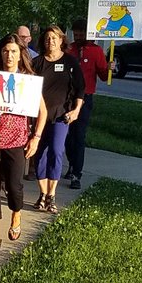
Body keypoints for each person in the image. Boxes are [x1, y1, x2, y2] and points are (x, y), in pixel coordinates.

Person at [0, 34, 47, 250]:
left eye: (13, 51)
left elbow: (42, 112)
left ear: (20, 55)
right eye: (5, 51)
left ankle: (16, 214)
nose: (9, 55)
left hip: (17, 140)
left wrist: (36, 138)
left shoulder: (27, 79)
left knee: (14, 186)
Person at [32, 25, 85, 214]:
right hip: (39, 117)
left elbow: (80, 88)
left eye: (54, 38)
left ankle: (51, 195)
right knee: (39, 156)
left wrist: (76, 110)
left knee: (56, 151)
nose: (51, 41)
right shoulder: (36, 63)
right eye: (47, 38)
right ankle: (42, 194)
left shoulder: (70, 62)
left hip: (61, 116)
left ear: (62, 40)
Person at [65, 18, 109, 189]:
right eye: (76, 33)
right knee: (66, 136)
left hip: (86, 97)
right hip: (67, 96)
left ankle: (77, 174)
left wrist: (109, 67)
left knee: (79, 137)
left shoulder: (96, 51)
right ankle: (72, 163)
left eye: (81, 33)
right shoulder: (69, 50)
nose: (78, 36)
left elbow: (104, 76)